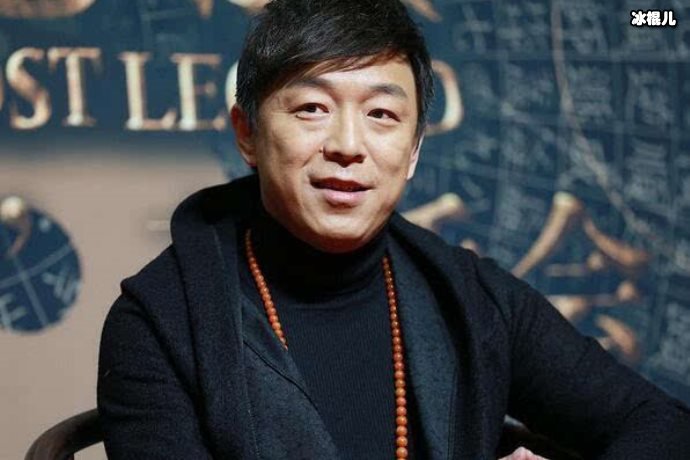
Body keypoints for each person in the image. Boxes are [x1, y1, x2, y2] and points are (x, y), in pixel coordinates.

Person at [97, 0, 690, 459]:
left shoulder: (470, 298)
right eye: (312, 108)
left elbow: (660, 425)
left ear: (413, 152)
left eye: (381, 114)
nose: (348, 146)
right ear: (247, 133)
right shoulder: (158, 322)